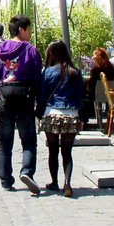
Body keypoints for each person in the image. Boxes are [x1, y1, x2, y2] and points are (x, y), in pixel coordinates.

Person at [0, 15, 43, 194]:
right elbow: (37, 79)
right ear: (21, 30)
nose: (31, 33)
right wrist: (40, 102)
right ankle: (27, 171)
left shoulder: (1, 50)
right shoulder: (31, 51)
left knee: (5, 141)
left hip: (5, 98)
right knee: (29, 140)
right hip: (25, 97)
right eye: (29, 29)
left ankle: (5, 179)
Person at [39, 40, 84, 197]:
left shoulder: (48, 72)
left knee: (53, 150)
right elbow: (80, 98)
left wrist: (38, 113)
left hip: (52, 113)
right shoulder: (75, 72)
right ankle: (67, 182)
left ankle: (54, 182)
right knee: (67, 152)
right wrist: (81, 117)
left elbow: (42, 96)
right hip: (71, 114)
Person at [82, 47, 114, 127]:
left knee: (82, 93)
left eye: (94, 55)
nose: (92, 57)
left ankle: (85, 119)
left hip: (97, 94)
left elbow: (92, 84)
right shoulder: (110, 68)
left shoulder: (96, 69)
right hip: (111, 94)